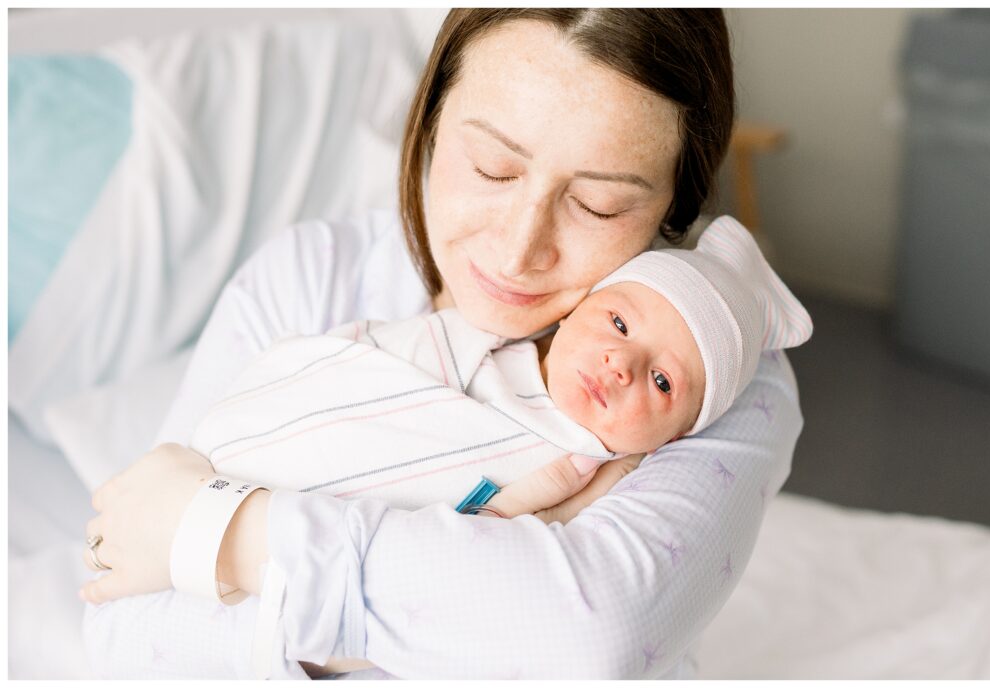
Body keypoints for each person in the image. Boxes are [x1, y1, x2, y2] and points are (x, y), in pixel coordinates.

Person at [81, 9, 806, 679]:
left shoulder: (713, 373)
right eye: (493, 167)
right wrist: (481, 577)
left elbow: (591, 637)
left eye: (598, 205)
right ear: (427, 121)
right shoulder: (308, 281)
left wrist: (230, 533)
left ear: (672, 213)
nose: (520, 249)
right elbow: (122, 616)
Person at [185, 216, 811, 519]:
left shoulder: (607, 486)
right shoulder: (475, 343)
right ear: (572, 315)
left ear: (677, 434)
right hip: (241, 470)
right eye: (618, 323)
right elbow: (357, 362)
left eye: (663, 380)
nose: (622, 364)